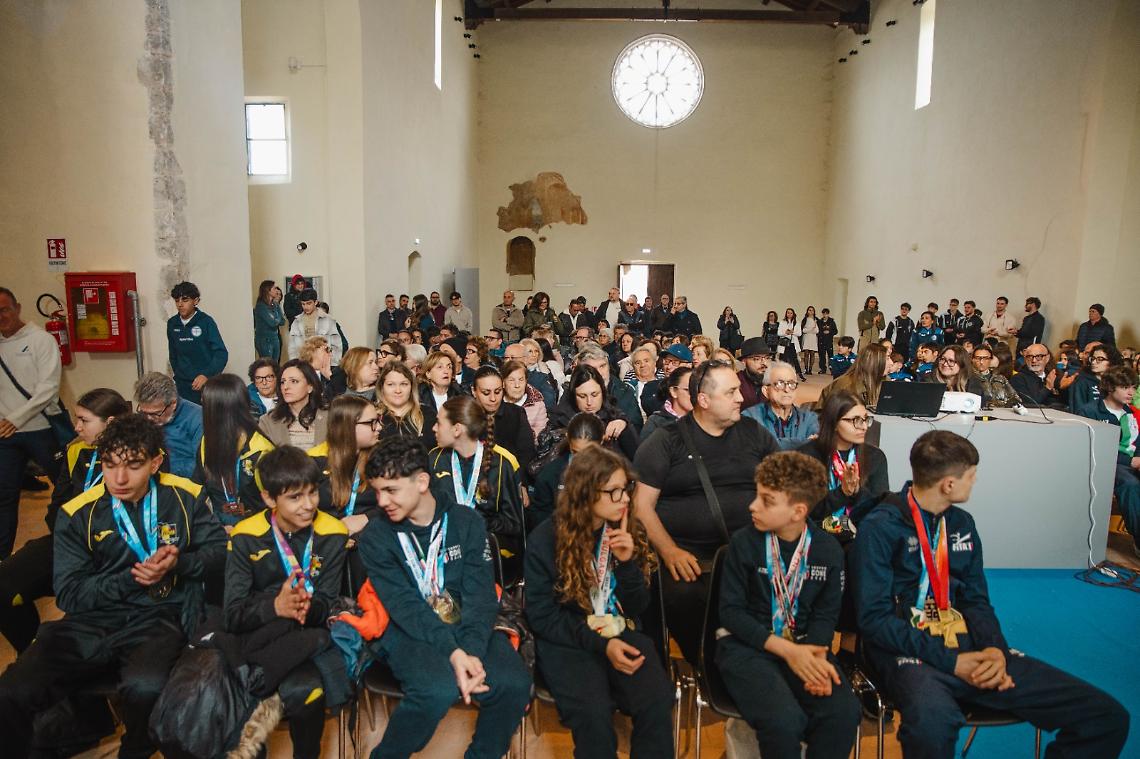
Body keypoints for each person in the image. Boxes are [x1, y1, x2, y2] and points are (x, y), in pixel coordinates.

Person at [853, 430, 1129, 759]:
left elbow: (975, 600)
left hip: (971, 647)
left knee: (1104, 716)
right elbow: (874, 620)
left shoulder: (962, 524)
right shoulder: (880, 527)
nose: (974, 482)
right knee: (932, 725)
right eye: (971, 476)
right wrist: (953, 662)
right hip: (907, 650)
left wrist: (995, 650)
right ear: (949, 485)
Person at [0, 413, 227, 758]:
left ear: (156, 463)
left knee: (144, 686)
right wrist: (131, 578)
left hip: (158, 615)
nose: (119, 478)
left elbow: (218, 554)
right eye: (109, 464)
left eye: (133, 465)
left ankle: (134, 748)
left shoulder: (184, 497)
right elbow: (71, 593)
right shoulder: (78, 512)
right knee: (13, 690)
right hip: (92, 619)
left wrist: (180, 563)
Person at [357, 437, 532, 758]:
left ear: (422, 481)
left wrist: (472, 652)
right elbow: (405, 607)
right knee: (436, 688)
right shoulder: (376, 538)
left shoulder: (466, 522)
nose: (381, 501)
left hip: (466, 622)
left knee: (514, 684)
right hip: (406, 627)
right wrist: (455, 654)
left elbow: (480, 597)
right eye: (377, 491)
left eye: (391, 490)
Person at [525, 444, 675, 759]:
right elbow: (542, 616)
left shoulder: (625, 530)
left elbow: (637, 606)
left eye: (626, 489)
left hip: (618, 628)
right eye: (613, 492)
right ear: (586, 493)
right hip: (568, 639)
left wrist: (627, 563)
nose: (624, 499)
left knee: (657, 699)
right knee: (594, 715)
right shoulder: (546, 539)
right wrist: (601, 645)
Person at [632, 360, 779, 662]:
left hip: (748, 554)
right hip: (689, 559)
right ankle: (711, 665)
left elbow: (782, 486)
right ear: (704, 400)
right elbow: (641, 506)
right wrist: (670, 551)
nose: (741, 398)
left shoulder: (754, 433)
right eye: (732, 392)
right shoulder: (666, 440)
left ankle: (752, 661)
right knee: (684, 599)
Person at [717, 451, 859, 759]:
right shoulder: (744, 543)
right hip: (748, 648)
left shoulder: (828, 550)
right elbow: (731, 613)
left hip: (807, 648)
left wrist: (818, 660)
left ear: (798, 511)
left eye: (767, 500)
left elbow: (825, 615)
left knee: (842, 713)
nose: (753, 506)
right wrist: (789, 652)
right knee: (783, 720)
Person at [225, 445, 348, 759]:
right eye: (295, 497)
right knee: (240, 693)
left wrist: (306, 606)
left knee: (306, 693)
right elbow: (233, 614)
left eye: (312, 493)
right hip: (258, 636)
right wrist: (274, 607)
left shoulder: (332, 533)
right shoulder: (245, 535)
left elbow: (328, 602)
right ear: (269, 498)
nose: (308, 506)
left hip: (305, 637)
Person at [0, 388, 130, 653]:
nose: (76, 427)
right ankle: (33, 655)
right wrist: (66, 536)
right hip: (67, 541)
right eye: (77, 419)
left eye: (84, 420)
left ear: (111, 423)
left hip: (110, 551)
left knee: (83, 617)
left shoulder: (135, 458)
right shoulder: (76, 452)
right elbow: (58, 505)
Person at [0, 286, 66, 557]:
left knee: (64, 490)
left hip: (41, 429)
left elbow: (48, 388)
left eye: (4, 309)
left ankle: (67, 550)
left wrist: (16, 418)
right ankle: (3, 559)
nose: (1, 316)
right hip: (6, 434)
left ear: (17, 307)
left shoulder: (40, 340)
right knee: (5, 498)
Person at [798, 391, 888, 544]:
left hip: (860, 537)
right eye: (855, 420)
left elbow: (880, 509)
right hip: (815, 537)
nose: (864, 427)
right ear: (833, 423)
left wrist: (856, 491)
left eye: (866, 419)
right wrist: (842, 493)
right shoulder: (807, 456)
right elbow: (805, 511)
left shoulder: (875, 457)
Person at [429, 395, 523, 540]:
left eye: (439, 423)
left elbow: (513, 524)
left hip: (485, 551)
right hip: (445, 549)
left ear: (457, 429)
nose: (434, 428)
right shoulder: (435, 458)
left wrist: (476, 522)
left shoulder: (501, 463)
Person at [193, 373, 275, 527]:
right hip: (218, 530)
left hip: (257, 534)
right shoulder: (207, 442)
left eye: (205, 404)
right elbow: (197, 487)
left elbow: (276, 504)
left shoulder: (261, 451)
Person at [1080, 366, 1140, 557]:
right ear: (1110, 387)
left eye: (1133, 387)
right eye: (1125, 387)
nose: (1131, 392)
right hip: (1107, 464)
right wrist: (1129, 462)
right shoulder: (1090, 411)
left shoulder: (1132, 414)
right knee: (1130, 484)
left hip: (1133, 462)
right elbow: (1091, 447)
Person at [308, 395, 379, 536]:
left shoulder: (382, 458)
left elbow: (401, 502)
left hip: (369, 539)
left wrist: (367, 518)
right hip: (324, 542)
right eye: (372, 422)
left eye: (378, 421)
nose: (379, 428)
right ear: (348, 426)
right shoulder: (313, 461)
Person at [548, 364, 639, 460]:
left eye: (594, 395)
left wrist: (625, 425)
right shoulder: (558, 422)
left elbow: (637, 459)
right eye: (582, 396)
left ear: (602, 392)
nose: (589, 402)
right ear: (573, 396)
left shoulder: (615, 416)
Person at [167, 281, 229, 405]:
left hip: (205, 384)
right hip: (182, 385)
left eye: (185, 300)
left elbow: (221, 354)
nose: (180, 304)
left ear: (195, 301)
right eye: (177, 300)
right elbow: (173, 354)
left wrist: (206, 375)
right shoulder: (172, 323)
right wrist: (179, 375)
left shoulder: (206, 322)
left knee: (206, 420)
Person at [134, 371, 203, 479]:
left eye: (155, 413)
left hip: (183, 483)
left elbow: (201, 467)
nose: (148, 419)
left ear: (173, 403)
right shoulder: (144, 417)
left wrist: (162, 468)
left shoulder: (198, 419)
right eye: (144, 412)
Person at [743, 362, 819, 450]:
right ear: (765, 391)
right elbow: (754, 451)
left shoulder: (809, 419)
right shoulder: (750, 418)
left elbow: (817, 450)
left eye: (791, 384)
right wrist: (804, 443)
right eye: (779, 384)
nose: (786, 389)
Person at [258, 360, 329, 449]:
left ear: (310, 387)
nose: (286, 387)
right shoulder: (268, 422)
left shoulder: (329, 418)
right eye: (282, 382)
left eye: (294, 381)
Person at [576, 344, 644, 436]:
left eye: (602, 366)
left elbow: (636, 424)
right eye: (593, 369)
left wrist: (624, 423)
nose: (600, 373)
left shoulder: (623, 390)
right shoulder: (573, 390)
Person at [376, 360, 436, 450]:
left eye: (404, 384)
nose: (398, 390)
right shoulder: (373, 417)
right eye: (391, 384)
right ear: (382, 387)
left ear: (411, 387)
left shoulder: (427, 414)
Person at [820, 344, 888, 412]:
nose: (891, 363)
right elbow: (838, 418)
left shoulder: (883, 380)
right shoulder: (848, 387)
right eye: (887, 358)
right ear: (874, 363)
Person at [289, 288, 343, 365]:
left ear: (316, 302)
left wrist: (333, 364)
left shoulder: (328, 320)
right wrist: (294, 364)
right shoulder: (297, 322)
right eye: (303, 304)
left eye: (308, 303)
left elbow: (337, 344)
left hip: (324, 363)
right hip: (303, 363)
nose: (305, 307)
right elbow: (292, 347)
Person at [641, 366, 693, 442]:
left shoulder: (705, 420)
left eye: (697, 389)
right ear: (673, 392)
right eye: (689, 390)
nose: (695, 394)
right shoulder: (656, 423)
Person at [1069, 343, 1122, 417]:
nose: (1093, 362)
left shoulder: (1116, 382)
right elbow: (1078, 411)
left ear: (1111, 362)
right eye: (1093, 358)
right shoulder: (1082, 382)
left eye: (1100, 359)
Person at [502, 359, 548, 441]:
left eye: (521, 380)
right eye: (511, 380)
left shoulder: (537, 404)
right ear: (503, 383)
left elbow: (541, 434)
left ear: (526, 381)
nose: (517, 385)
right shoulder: (495, 402)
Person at [737, 336, 773, 411]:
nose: (764, 363)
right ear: (744, 361)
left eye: (767, 358)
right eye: (757, 359)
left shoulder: (774, 381)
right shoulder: (736, 382)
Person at [253, 279, 286, 362]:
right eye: (274, 288)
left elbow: (282, 321)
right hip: (265, 340)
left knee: (275, 364)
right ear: (268, 291)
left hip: (275, 338)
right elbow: (272, 323)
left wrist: (275, 319)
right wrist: (276, 319)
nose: (276, 291)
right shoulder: (261, 306)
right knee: (267, 364)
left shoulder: (275, 304)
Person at [815, 308, 837, 375]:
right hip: (821, 341)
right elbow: (817, 331)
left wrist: (829, 332)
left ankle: (832, 369)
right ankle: (822, 369)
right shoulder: (819, 322)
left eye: (826, 313)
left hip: (829, 341)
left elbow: (835, 331)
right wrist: (822, 333)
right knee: (822, 356)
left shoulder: (832, 321)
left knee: (830, 356)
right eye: (823, 313)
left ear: (828, 314)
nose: (825, 315)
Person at [799, 306, 819, 376]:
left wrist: (811, 329)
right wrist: (810, 329)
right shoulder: (805, 320)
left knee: (812, 353)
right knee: (806, 353)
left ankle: (810, 369)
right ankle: (806, 369)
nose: (811, 312)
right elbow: (803, 330)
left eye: (812, 310)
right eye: (809, 310)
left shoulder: (816, 320)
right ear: (807, 311)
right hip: (806, 337)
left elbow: (817, 331)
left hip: (813, 338)